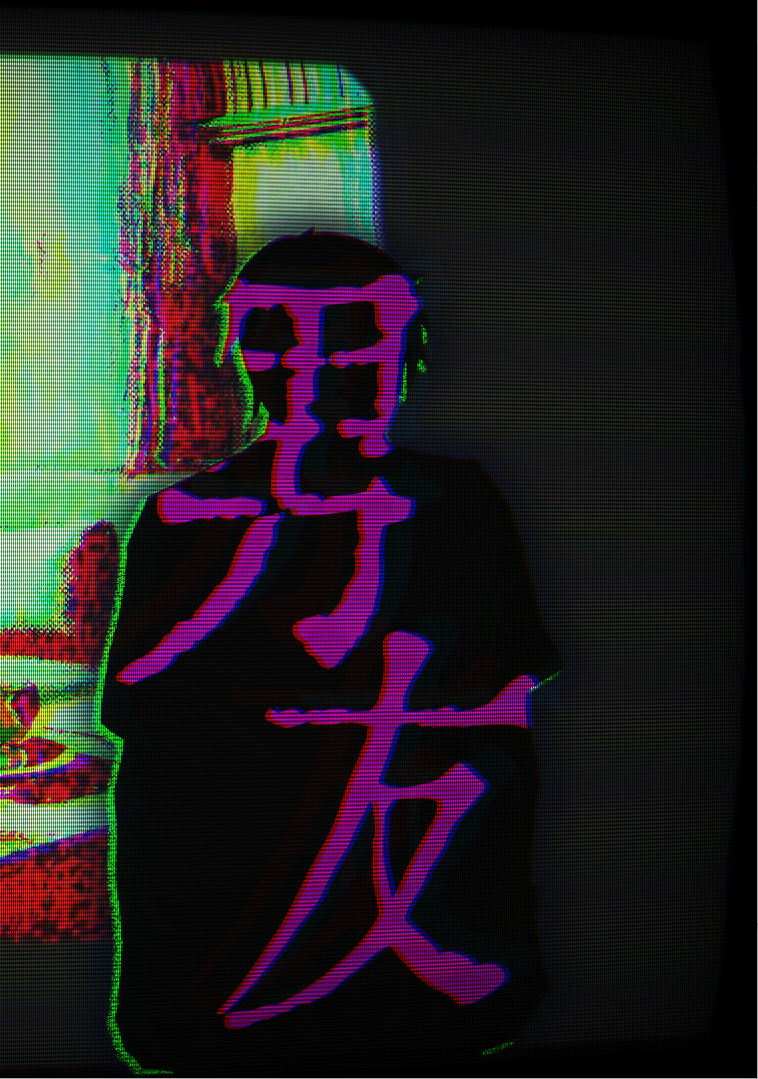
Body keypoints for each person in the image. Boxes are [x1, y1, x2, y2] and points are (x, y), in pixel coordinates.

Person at [100, 232, 561, 1073]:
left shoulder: (456, 502)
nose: (317, 373)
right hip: (233, 884)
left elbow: (509, 689)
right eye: (285, 343)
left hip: (414, 892)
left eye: (354, 342)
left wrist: (382, 730)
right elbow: (133, 701)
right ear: (245, 355)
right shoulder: (184, 517)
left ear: (407, 351)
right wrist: (245, 574)